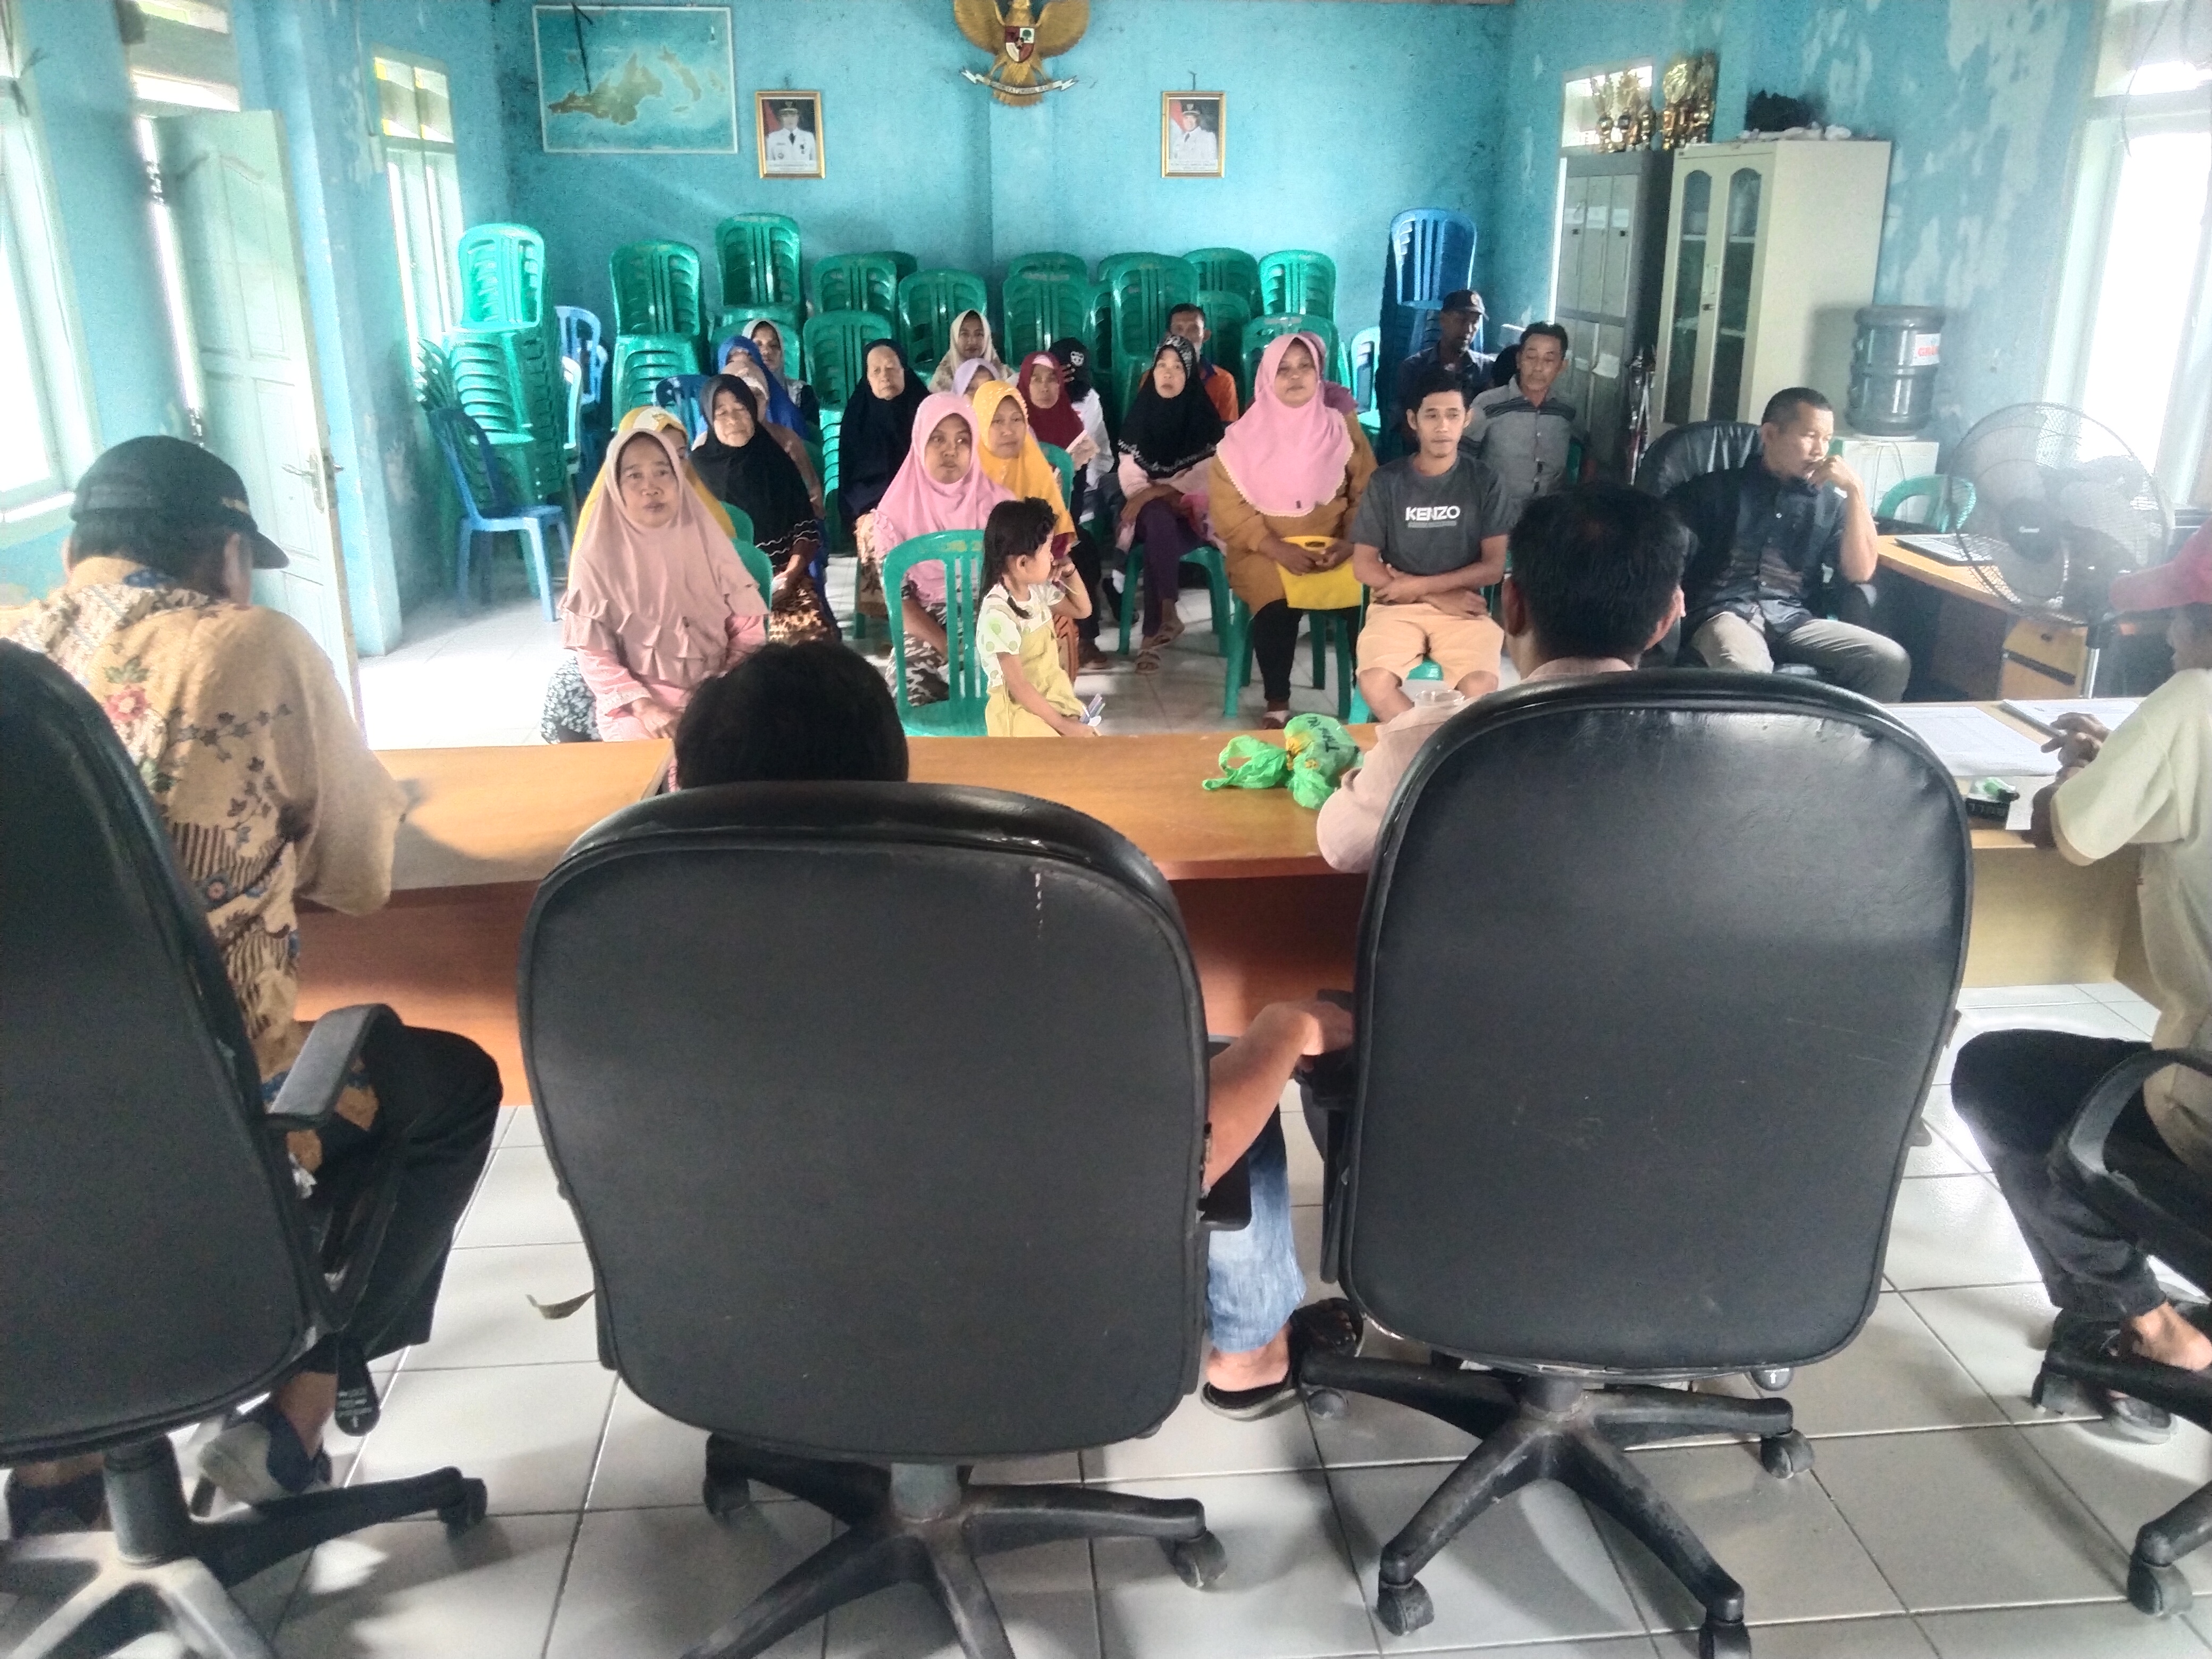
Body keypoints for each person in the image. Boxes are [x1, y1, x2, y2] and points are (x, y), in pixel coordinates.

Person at [1, 436, 500, 1527]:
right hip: (200, 1126)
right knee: (453, 1086)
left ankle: (57, 1472)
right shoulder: (247, 646)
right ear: (225, 554)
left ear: (77, 549)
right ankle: (293, 1417)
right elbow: (359, 877)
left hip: (21, 1156)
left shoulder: (14, 646)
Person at [666, 638, 1358, 1419]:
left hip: (752, 1338)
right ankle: (1250, 1357)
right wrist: (1281, 1032)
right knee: (1226, 1067)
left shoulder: (621, 944)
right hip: (985, 1320)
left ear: (684, 788)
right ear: (894, 781)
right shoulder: (994, 943)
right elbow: (1174, 1158)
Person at [1951, 528, 2212, 1439]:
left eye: (2180, 617)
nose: (2168, 635)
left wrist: (2077, 779)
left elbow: (2069, 832)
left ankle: (2144, 1329)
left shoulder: (2196, 698)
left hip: (2207, 1111)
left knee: (2000, 1077)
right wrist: (2126, 760)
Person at [1318, 481, 1688, 874]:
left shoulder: (1429, 743)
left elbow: (1341, 847)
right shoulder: (1705, 753)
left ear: (1512, 604)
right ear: (1665, 621)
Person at [1665, 387, 1910, 701]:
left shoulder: (1829, 505)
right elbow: (1662, 547)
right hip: (1724, 614)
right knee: (1746, 672)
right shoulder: (1712, 491)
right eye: (1809, 436)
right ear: (1770, 434)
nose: (1820, 450)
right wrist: (1671, 587)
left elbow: (1860, 572)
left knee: (1889, 661)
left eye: (1827, 439)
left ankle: (1847, 736)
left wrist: (1856, 492)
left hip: (1792, 618)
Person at [563, 415, 768, 740]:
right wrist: (644, 706)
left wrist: (724, 687)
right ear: (615, 486)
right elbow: (595, 655)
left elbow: (748, 631)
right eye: (634, 476)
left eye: (663, 472)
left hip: (719, 687)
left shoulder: (709, 542)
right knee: (650, 757)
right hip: (639, 701)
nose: (651, 488)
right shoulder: (596, 559)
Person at [1212, 332, 1377, 728]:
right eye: (1283, 369)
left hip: (1334, 544)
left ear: (1319, 374)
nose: (1295, 376)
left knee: (1369, 596)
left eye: (1305, 367)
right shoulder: (1240, 439)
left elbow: (1368, 489)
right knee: (1276, 602)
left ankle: (1369, 696)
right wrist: (1276, 547)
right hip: (1263, 549)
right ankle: (1278, 702)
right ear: (1267, 377)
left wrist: (1351, 542)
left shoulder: (1341, 427)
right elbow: (1228, 509)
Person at [1350, 363, 1515, 723]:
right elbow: (1363, 565)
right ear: (1413, 420)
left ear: (1467, 419)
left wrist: (1418, 586)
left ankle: (1425, 745)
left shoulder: (1485, 481)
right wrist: (1432, 595)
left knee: (1480, 689)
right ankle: (1429, 746)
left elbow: (1493, 567)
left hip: (1463, 608)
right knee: (1374, 683)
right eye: (1432, 415)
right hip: (1396, 606)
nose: (1443, 426)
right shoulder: (1386, 482)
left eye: (1453, 415)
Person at [871, 392, 1012, 704]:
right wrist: (950, 647)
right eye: (938, 439)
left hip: (994, 616)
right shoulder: (892, 516)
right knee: (906, 693)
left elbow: (1019, 583)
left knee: (1026, 691)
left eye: (963, 440)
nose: (951, 450)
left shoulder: (1002, 506)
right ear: (920, 441)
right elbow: (900, 604)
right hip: (927, 624)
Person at [690, 375, 836, 642]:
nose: (733, 420)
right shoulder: (695, 473)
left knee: (811, 643)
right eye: (722, 413)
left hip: (782, 581)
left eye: (740, 409)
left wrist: (790, 575)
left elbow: (806, 529)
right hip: (720, 592)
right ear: (709, 419)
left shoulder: (775, 458)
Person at [1116, 336, 1227, 673]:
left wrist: (1157, 492)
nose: (1168, 374)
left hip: (1193, 517)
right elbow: (1129, 473)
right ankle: (1166, 615)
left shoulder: (1202, 417)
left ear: (1189, 374)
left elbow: (1209, 475)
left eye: (1178, 367)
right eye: (1162, 366)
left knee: (1158, 530)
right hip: (1150, 515)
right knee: (1158, 520)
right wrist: (1152, 496)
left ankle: (1152, 636)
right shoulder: (1142, 412)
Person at [976, 497, 1097, 738]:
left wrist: (1070, 572)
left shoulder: (1037, 591)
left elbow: (1083, 610)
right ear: (1023, 563)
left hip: (1051, 695)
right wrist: (1062, 725)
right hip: (1018, 709)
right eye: (1048, 550)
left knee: (1089, 741)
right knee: (1055, 748)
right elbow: (1018, 686)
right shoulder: (998, 614)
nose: (1053, 558)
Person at [1018, 349, 1109, 667]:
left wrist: (1055, 535)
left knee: (1085, 551)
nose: (1045, 387)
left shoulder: (1073, 429)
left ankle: (1087, 639)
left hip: (1058, 523)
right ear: (1024, 384)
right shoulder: (1014, 427)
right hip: (1016, 526)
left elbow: (1076, 494)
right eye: (1036, 380)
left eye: (1052, 379)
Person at [1465, 321, 1587, 524]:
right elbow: (1462, 461)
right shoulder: (1488, 405)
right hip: (1496, 518)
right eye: (1531, 357)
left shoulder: (1567, 410)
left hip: (1550, 520)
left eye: (1549, 360)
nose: (1538, 368)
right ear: (1519, 360)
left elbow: (1587, 452)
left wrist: (1581, 501)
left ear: (1562, 366)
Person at [718, 335, 823, 515]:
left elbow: (813, 501)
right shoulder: (704, 452)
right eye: (741, 399)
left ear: (767, 399)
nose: (750, 404)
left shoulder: (786, 441)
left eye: (757, 395)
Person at [1387, 289, 1493, 460]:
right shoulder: (1414, 368)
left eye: (1474, 322)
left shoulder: (1487, 369)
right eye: (1461, 320)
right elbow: (1404, 427)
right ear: (1443, 319)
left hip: (1474, 460)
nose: (1468, 329)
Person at [1136, 303, 1239, 423]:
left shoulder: (1223, 381)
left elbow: (1228, 430)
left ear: (1205, 336)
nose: (1185, 337)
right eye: (1178, 329)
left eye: (1194, 329)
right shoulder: (1151, 379)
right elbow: (1143, 425)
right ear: (1168, 336)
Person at [747, 317, 820, 442]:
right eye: (757, 345)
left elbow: (811, 443)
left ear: (782, 353)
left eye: (774, 346)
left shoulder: (802, 394)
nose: (767, 351)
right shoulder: (738, 394)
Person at [928, 307, 1011, 394]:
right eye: (965, 334)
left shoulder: (1005, 377)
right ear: (955, 338)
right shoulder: (941, 381)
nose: (972, 342)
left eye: (979, 334)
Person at [763, 102, 816, 173]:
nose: (790, 119)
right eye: (786, 116)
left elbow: (814, 163)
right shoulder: (772, 138)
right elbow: (769, 165)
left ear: (798, 117)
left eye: (793, 115)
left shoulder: (809, 137)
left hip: (805, 177)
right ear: (781, 118)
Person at [1167, 98, 1218, 173]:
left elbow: (1212, 167)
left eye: (1193, 118)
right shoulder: (1179, 140)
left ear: (1198, 119)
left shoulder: (1208, 137)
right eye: (1186, 118)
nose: (1189, 121)